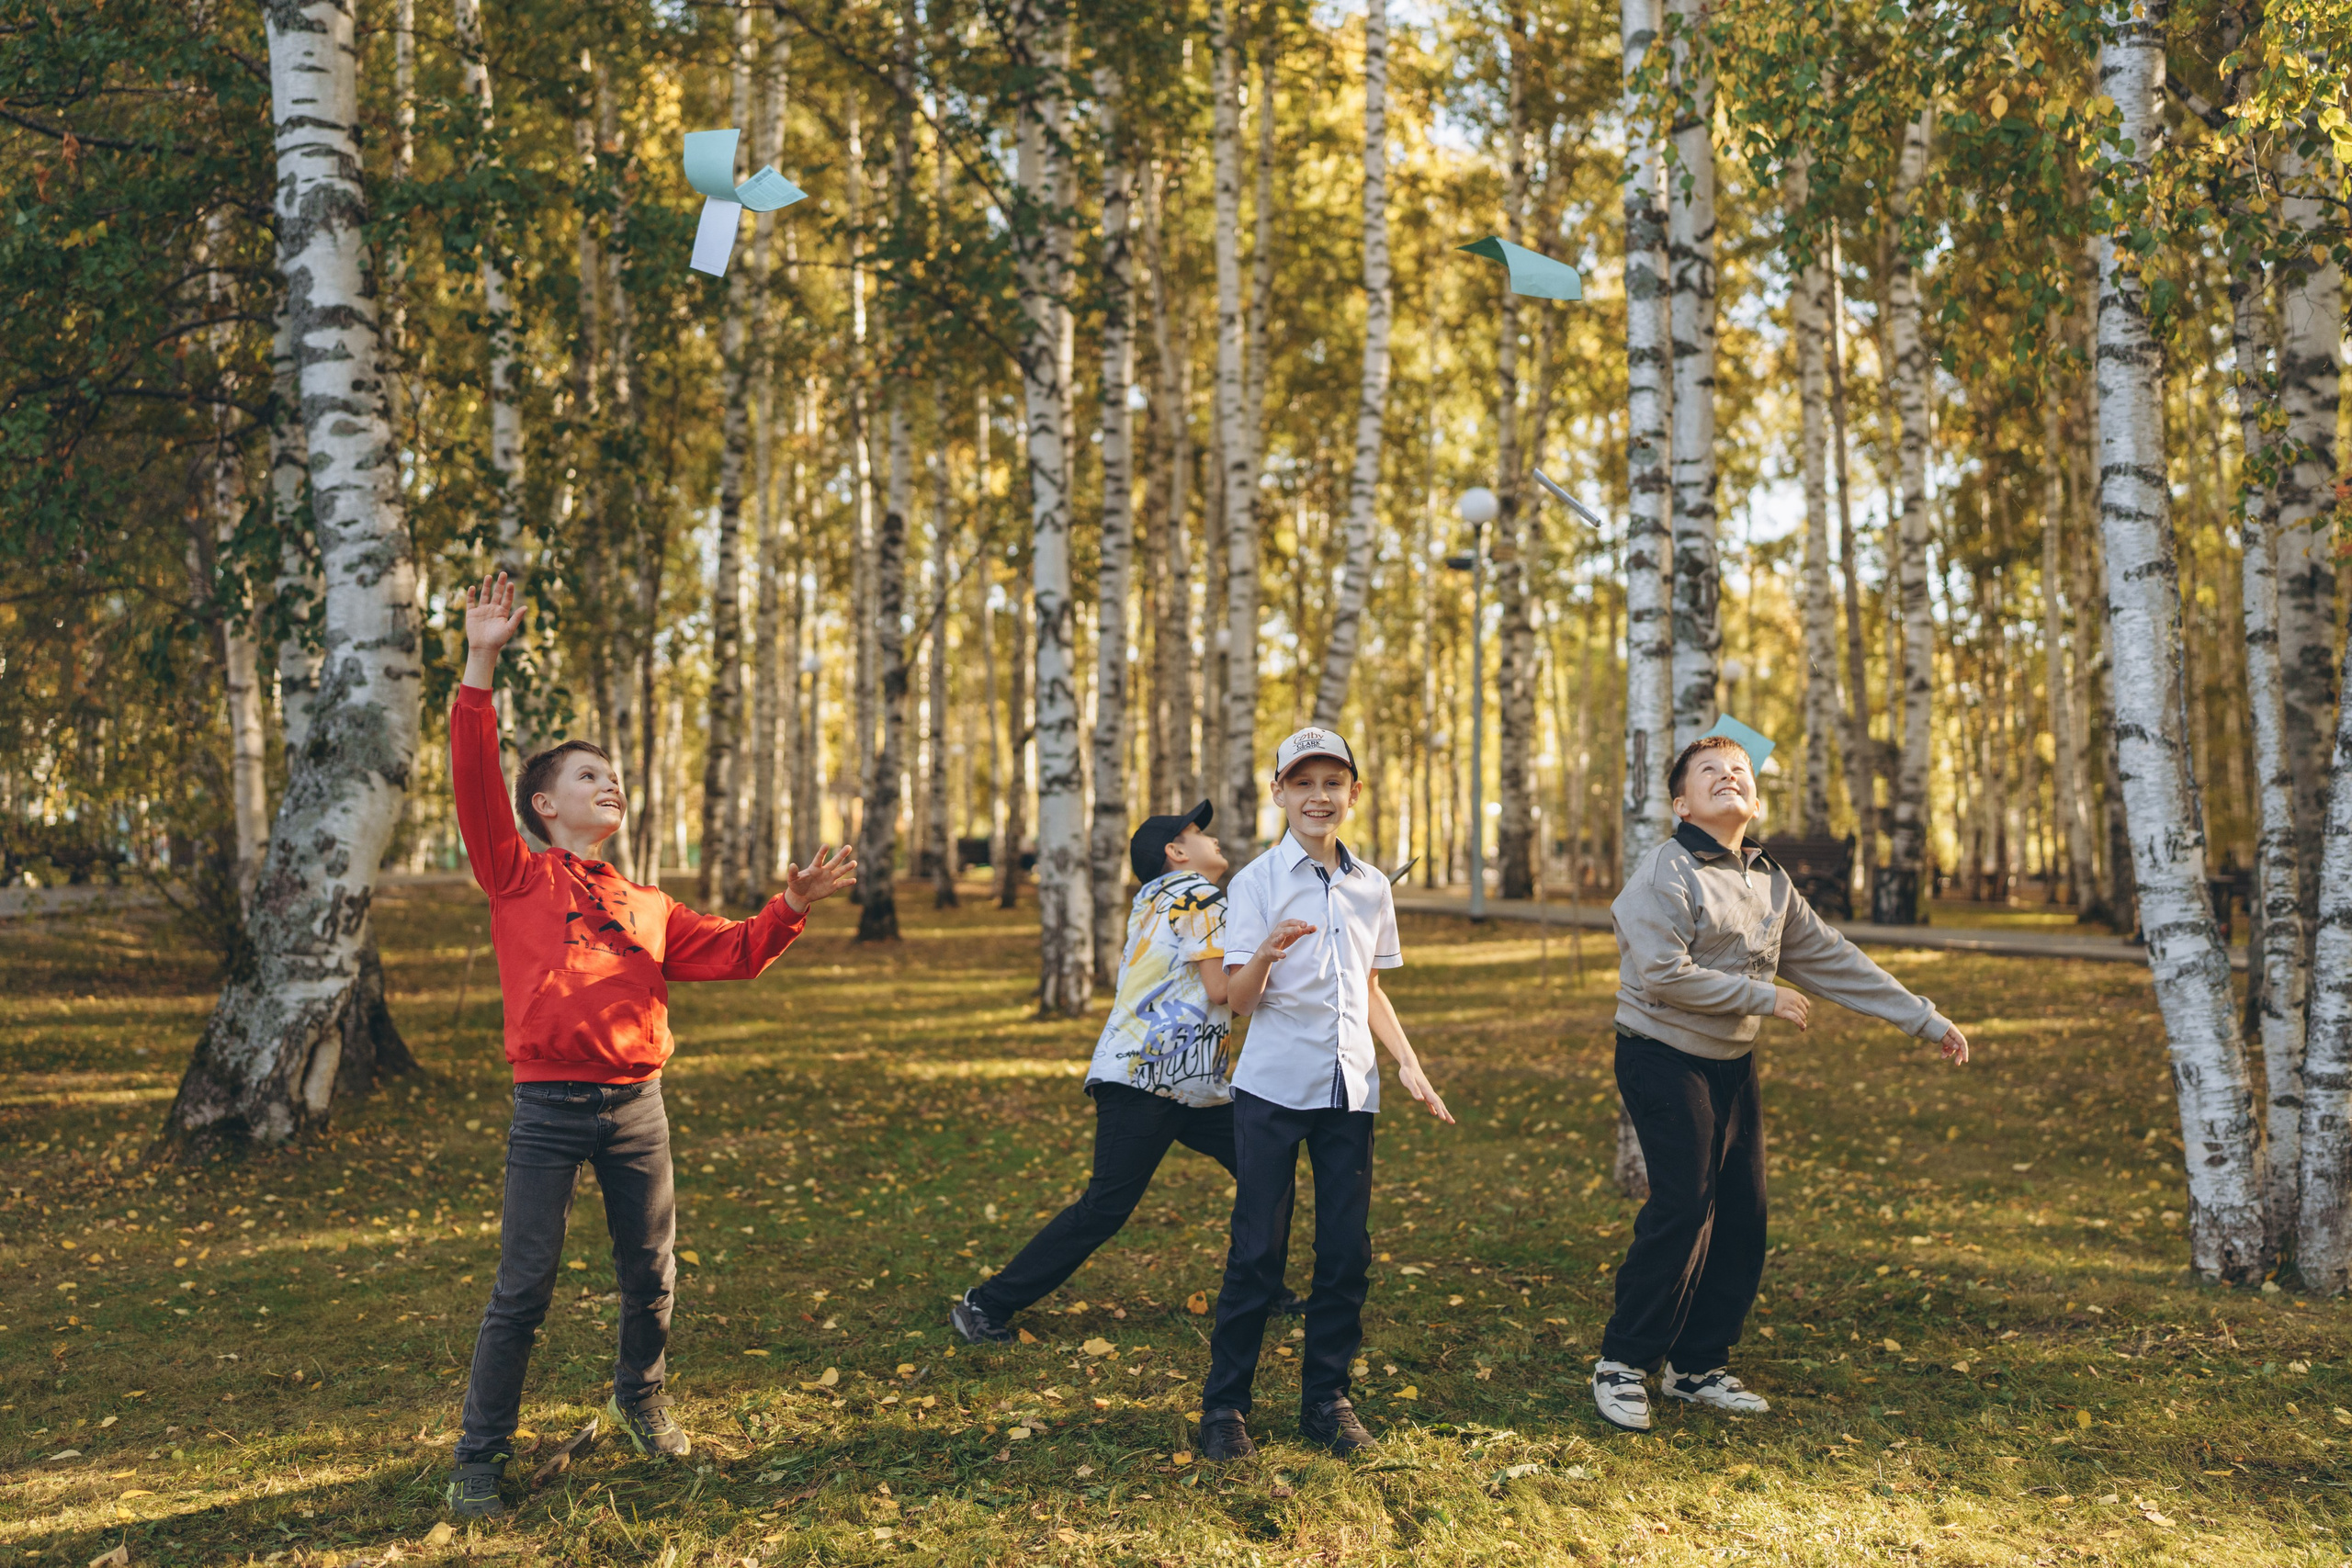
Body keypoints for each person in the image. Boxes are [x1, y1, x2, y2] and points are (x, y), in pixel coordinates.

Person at [443, 572, 856, 1518]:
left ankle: (642, 1401)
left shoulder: (648, 905)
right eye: (587, 776)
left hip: (637, 1108)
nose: (608, 784)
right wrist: (480, 663)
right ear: (544, 806)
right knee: (524, 1285)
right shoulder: (515, 876)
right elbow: (473, 778)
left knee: (651, 1271)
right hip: (548, 1109)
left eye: (612, 775)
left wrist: (791, 905)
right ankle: (478, 1455)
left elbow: (735, 953)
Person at [1591, 733, 1971, 1433]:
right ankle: (1622, 1361)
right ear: (1681, 802)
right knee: (1685, 1206)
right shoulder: (1665, 873)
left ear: (1756, 799)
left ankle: (1697, 1365)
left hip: (1731, 1060)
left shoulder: (1769, 880)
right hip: (1661, 1054)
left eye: (1740, 771)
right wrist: (1761, 996)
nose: (1729, 776)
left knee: (1743, 1211)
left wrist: (1921, 1017)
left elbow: (1830, 958)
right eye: (1710, 771)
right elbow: (1659, 973)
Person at [1197, 728, 1455, 1462]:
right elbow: (1238, 1002)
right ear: (1278, 791)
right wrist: (1268, 954)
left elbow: (1369, 986)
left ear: (1352, 792)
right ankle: (1225, 1409)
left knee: (1346, 1253)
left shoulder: (1372, 885)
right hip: (1273, 1089)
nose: (1318, 796)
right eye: (1302, 782)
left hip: (1352, 1091)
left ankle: (1326, 1401)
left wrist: (1407, 1061)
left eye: (1332, 782)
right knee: (1258, 1253)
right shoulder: (1254, 883)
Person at [951, 801, 1299, 1344]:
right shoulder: (1199, 894)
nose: (1212, 839)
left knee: (1266, 1170)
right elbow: (1222, 993)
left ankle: (1265, 1290)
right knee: (1106, 1206)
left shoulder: (1154, 901)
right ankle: (986, 1302)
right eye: (1197, 833)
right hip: (1147, 1081)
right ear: (1176, 852)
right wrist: (1272, 958)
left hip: (1188, 1085)